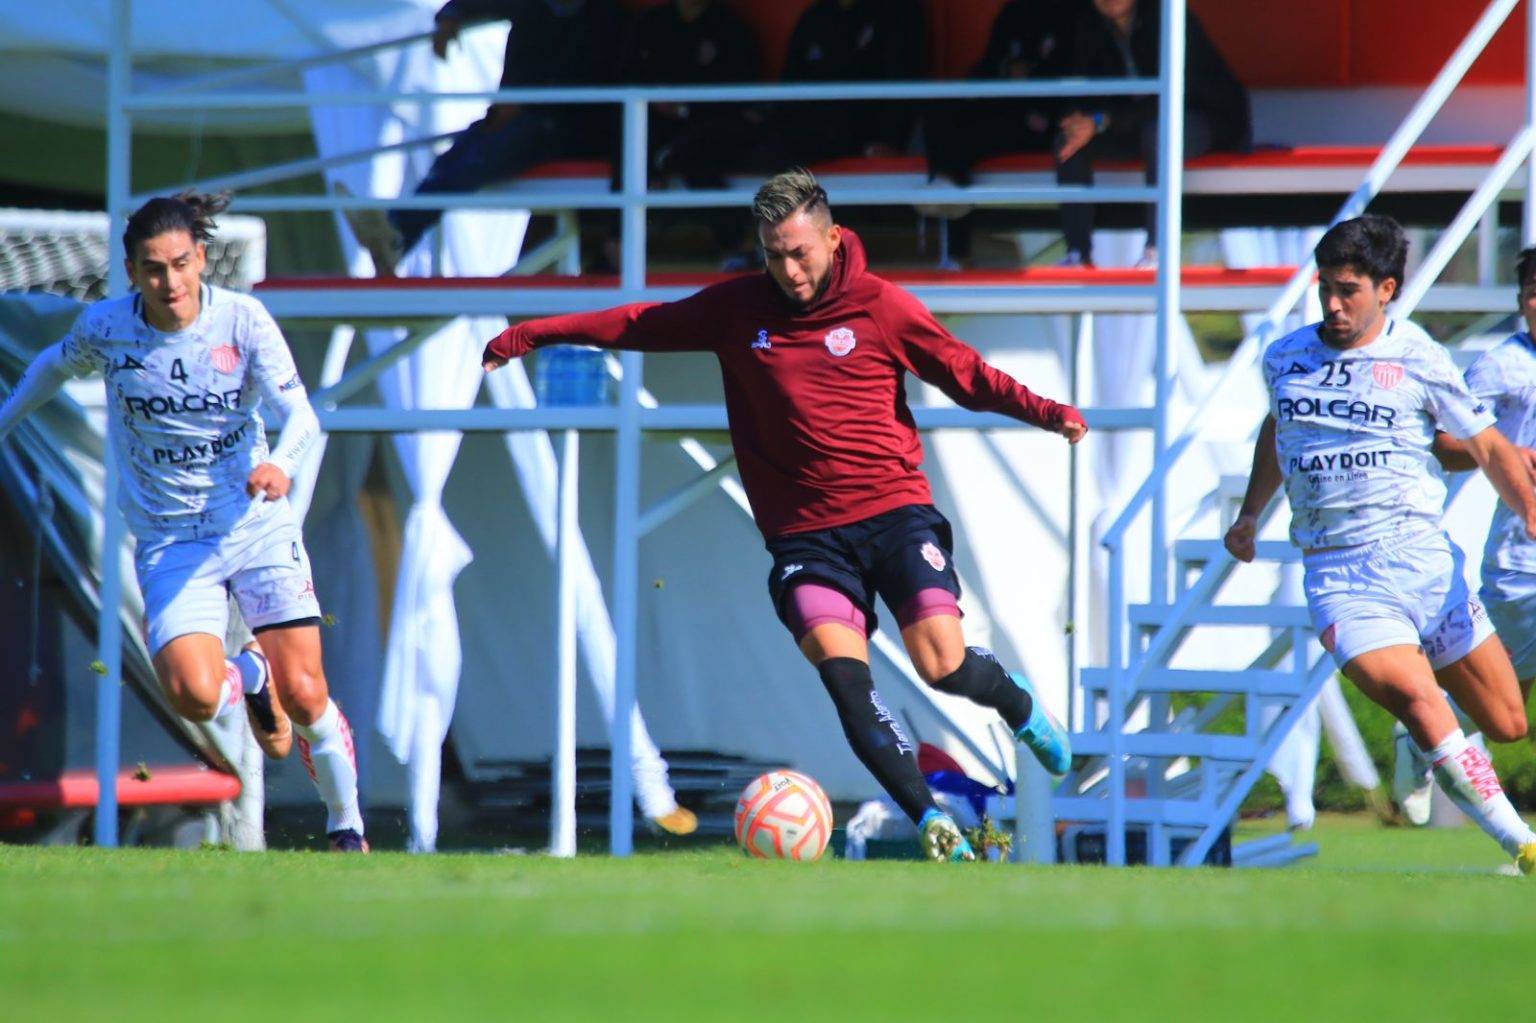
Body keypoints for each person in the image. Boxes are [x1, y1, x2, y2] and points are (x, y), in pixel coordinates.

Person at [482, 169, 1083, 861]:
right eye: (774, 255)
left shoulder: (881, 307)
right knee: (845, 678)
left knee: (940, 664)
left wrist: (1048, 412)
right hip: (805, 539)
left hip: (895, 516)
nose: (789, 270)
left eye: (800, 252)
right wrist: (533, 333)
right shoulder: (738, 311)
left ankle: (1017, 704)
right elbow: (639, 322)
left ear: (832, 237)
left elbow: (965, 373)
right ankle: (932, 820)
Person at [0, 193, 368, 852]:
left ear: (201, 258)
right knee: (196, 696)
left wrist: (280, 464)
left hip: (254, 527)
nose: (170, 283)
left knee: (308, 696)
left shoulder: (243, 321)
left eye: (180, 264)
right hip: (173, 540)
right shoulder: (108, 328)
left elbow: (304, 416)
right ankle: (250, 676)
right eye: (153, 269)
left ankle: (347, 828)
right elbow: (52, 366)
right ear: (132, 271)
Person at [1224, 214, 1536, 873]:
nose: (1332, 305)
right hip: (1341, 574)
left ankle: (1413, 746)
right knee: (1422, 698)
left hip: (1425, 561)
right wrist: (1251, 511)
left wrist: (1531, 512)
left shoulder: (1419, 355)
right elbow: (1276, 428)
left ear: (1386, 288)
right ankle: (1523, 842)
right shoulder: (1284, 357)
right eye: (1324, 290)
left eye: (1348, 291)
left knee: (1509, 722)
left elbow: (1484, 445)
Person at [346, 0, 625, 276]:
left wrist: (522, 106)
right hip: (526, 120)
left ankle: (396, 235)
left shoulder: (607, 14)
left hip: (574, 129)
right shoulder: (535, 7)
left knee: (476, 161)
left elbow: (589, 82)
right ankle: (396, 235)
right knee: (454, 157)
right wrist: (451, 14)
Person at [1415, 246, 1536, 824]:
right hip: (1522, 564)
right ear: (1520, 301)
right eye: (1533, 290)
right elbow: (1440, 442)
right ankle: (1422, 730)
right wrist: (1506, 454)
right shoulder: (1501, 366)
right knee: (1505, 715)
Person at [1055, 0, 1249, 267]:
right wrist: (1080, 119)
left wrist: (1102, 120)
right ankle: (1077, 253)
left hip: (1203, 120)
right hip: (1132, 125)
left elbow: (1180, 93)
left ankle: (1157, 251)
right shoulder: (1088, 24)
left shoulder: (1168, 15)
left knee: (1160, 133)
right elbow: (1084, 87)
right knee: (1070, 140)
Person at [920, 0, 1080, 263]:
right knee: (944, 114)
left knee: (964, 142)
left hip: (1055, 124)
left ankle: (1078, 252)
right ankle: (956, 250)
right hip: (1007, 115)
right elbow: (988, 65)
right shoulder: (1014, 11)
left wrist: (1033, 75)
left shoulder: (1075, 13)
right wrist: (1007, 71)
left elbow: (1076, 71)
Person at [618, 0, 760, 265]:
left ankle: (741, 245)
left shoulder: (730, 27)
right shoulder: (651, 24)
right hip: (655, 125)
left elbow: (742, 93)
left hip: (713, 126)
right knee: (628, 142)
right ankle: (615, 245)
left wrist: (687, 108)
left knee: (692, 154)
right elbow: (628, 76)